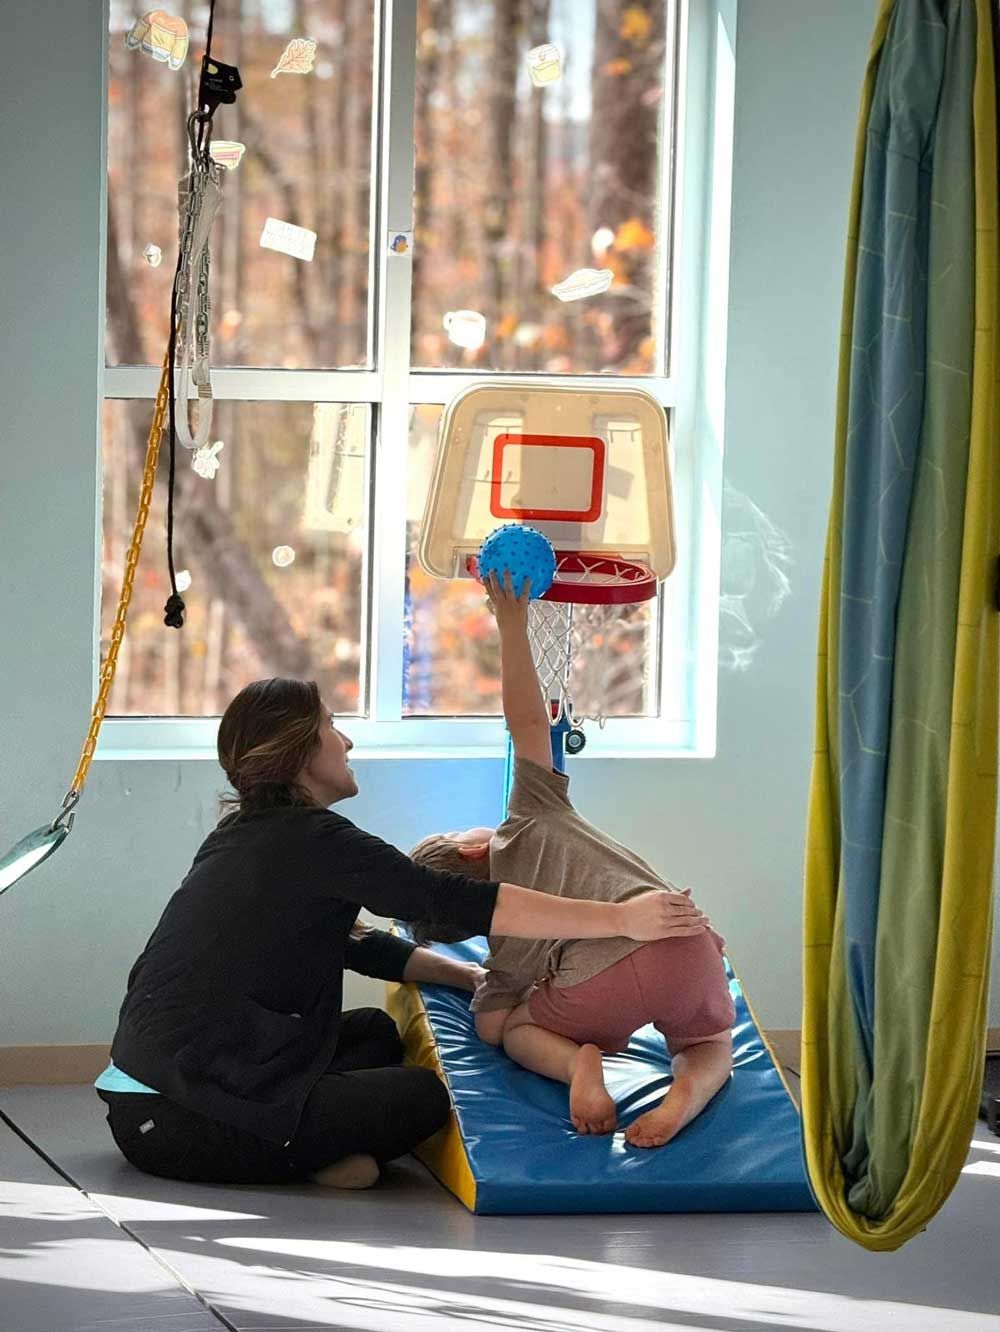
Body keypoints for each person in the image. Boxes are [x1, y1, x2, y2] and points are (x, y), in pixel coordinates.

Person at [96, 677, 706, 1190]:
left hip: (163, 1093)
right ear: (304, 751)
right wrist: (620, 918)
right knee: (421, 1100)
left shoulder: (248, 838)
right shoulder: (314, 839)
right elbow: (451, 898)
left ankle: (313, 1148)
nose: (348, 740)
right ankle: (297, 1153)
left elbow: (351, 943)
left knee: (374, 1033)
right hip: (178, 1119)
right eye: (334, 727)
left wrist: (466, 976)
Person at [411, 573, 735, 1148]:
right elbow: (528, 722)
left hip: (603, 981)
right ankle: (686, 1096)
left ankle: (577, 1067)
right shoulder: (531, 815)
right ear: (472, 848)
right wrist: (511, 622)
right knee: (708, 1046)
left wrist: (494, 992)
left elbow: (489, 1025)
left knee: (513, 1032)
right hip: (688, 939)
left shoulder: (505, 943)